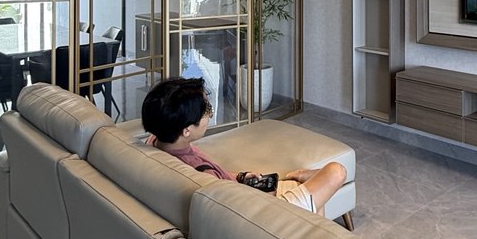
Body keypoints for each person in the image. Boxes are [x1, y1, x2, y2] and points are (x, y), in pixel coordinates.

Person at [141, 77, 346, 215]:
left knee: (318, 201)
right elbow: (238, 208)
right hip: (270, 211)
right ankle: (302, 180)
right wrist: (263, 194)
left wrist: (240, 177)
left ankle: (304, 185)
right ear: (187, 130)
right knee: (336, 172)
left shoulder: (156, 141)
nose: (209, 115)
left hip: (246, 192)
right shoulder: (203, 177)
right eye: (207, 110)